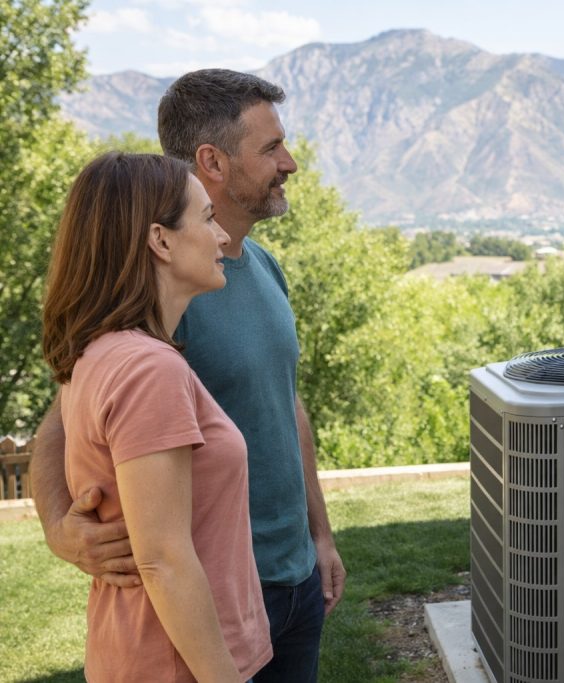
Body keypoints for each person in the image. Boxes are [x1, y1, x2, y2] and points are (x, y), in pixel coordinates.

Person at [32, 70, 345, 682]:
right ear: (213, 161)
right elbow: (65, 424)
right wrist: (57, 530)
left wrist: (319, 538)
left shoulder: (261, 268)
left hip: (291, 582)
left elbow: (284, 403)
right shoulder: (155, 314)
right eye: (271, 147)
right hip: (204, 609)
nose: (291, 162)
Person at [41, 152, 271, 681]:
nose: (220, 239)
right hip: (176, 664)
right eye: (207, 219)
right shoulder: (148, 369)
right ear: (160, 240)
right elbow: (163, 560)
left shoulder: (102, 354)